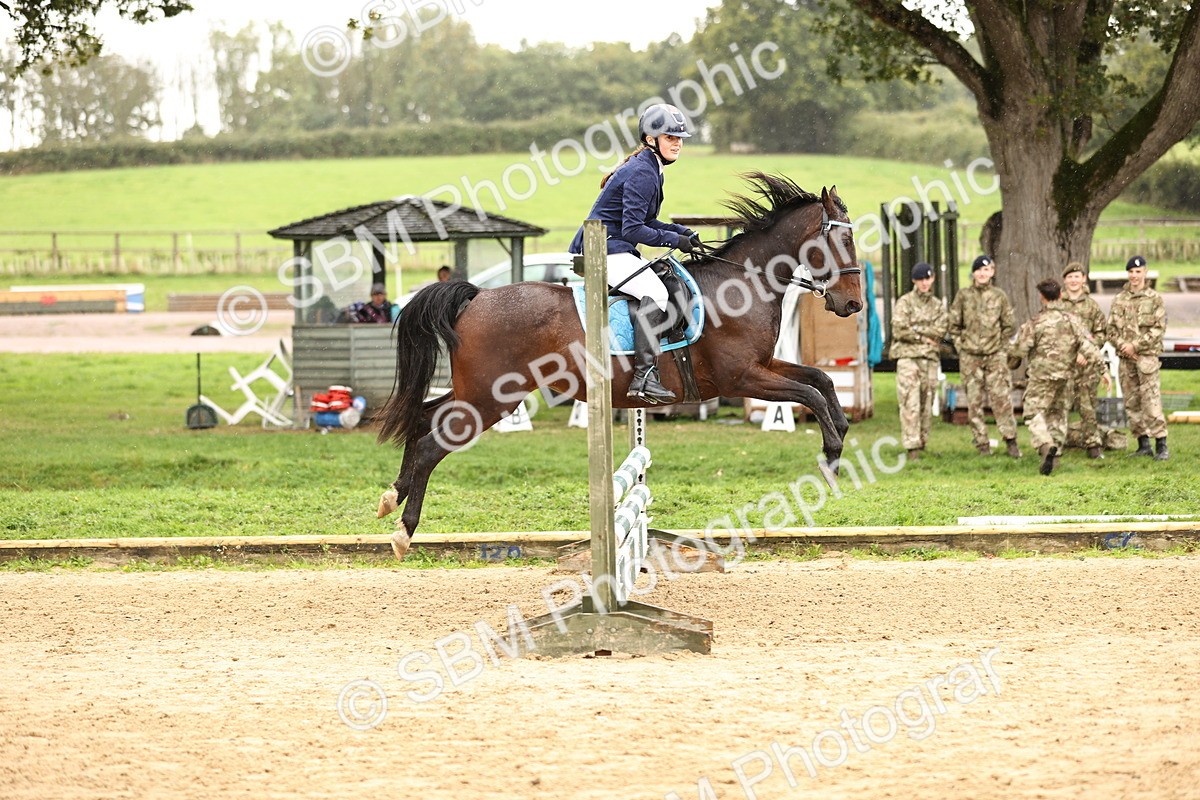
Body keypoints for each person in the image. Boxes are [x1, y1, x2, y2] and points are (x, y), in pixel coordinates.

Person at [568, 103, 702, 404]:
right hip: (605, 249)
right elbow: (632, 230)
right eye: (670, 137)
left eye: (679, 138)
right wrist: (674, 241)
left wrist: (680, 233)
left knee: (661, 283)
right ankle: (644, 376)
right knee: (657, 293)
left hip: (615, 246)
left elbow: (646, 222)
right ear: (651, 138)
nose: (677, 143)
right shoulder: (643, 171)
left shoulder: (650, 166)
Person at [1009, 279, 1102, 475]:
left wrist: (1011, 362)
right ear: (1060, 295)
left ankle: (1045, 444)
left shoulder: (1035, 323)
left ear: (1042, 298)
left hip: (1041, 376)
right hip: (1066, 375)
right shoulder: (1073, 320)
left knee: (1032, 412)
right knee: (1058, 414)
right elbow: (1088, 346)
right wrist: (1103, 368)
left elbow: (1019, 350)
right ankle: (1056, 456)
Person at [948, 255, 1020, 457]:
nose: (982, 273)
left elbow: (1009, 324)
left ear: (992, 272)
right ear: (974, 273)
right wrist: (961, 345)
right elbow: (953, 325)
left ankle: (1010, 441)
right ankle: (982, 445)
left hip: (995, 356)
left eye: (986, 270)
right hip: (970, 357)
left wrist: (1000, 346)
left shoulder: (999, 296)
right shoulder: (963, 295)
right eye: (979, 270)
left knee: (1002, 400)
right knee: (974, 403)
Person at [1107, 255, 1168, 460]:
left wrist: (1135, 345)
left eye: (1138, 272)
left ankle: (1161, 444)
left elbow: (1158, 329)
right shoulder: (1119, 299)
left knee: (1151, 401)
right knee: (1132, 402)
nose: (1134, 276)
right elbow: (1111, 329)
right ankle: (1143, 444)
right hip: (1126, 359)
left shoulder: (1154, 298)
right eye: (1131, 272)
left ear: (1145, 273)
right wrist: (1123, 346)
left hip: (1147, 358)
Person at [890, 261, 948, 460]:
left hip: (929, 360)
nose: (924, 283)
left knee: (926, 401)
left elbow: (940, 331)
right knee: (909, 401)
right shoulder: (905, 302)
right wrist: (924, 337)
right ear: (915, 280)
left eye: (928, 278)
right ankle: (911, 446)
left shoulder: (937, 306)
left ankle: (922, 443)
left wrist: (914, 329)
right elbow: (899, 329)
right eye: (921, 279)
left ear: (932, 279)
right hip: (907, 358)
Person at [1060, 262, 1109, 458]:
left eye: (1077, 277)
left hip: (1086, 366)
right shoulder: (1058, 305)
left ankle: (1093, 444)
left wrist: (1085, 352)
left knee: (1088, 404)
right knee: (1061, 404)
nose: (1073, 280)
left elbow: (1101, 334)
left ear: (1083, 279)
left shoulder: (1092, 306)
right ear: (1065, 280)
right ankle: (1057, 444)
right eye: (1070, 277)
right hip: (1064, 365)